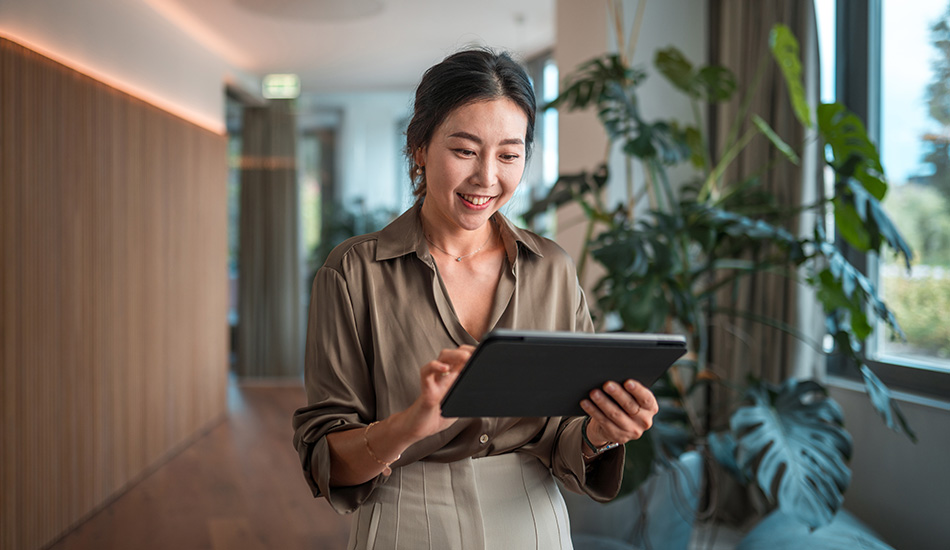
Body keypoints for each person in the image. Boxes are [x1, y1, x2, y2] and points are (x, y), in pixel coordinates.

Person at [292, 48, 659, 550]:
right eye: (464, 150)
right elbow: (326, 456)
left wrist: (602, 431)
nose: (487, 177)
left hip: (532, 520)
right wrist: (406, 426)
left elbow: (565, 438)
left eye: (509, 154)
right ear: (419, 147)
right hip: (406, 517)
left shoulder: (551, 269)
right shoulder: (354, 271)